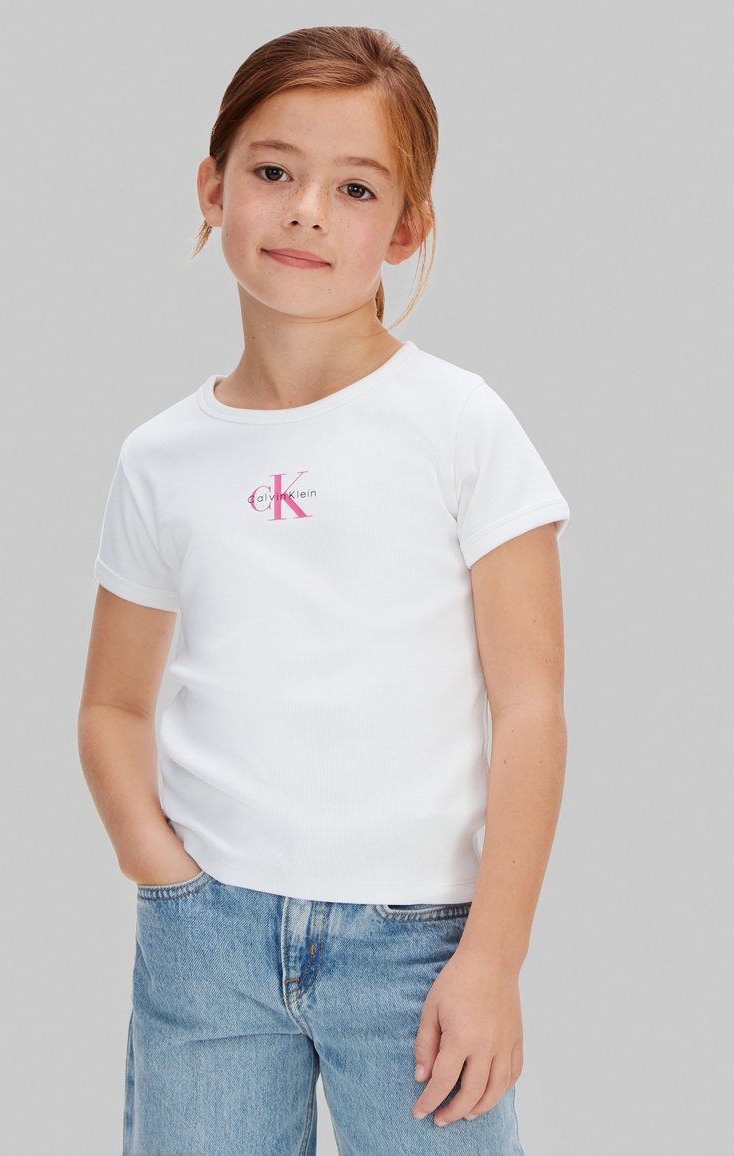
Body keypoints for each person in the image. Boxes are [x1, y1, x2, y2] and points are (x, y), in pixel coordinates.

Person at [78, 24, 570, 1156]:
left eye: (354, 187)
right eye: (272, 171)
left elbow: (531, 707)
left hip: (417, 949)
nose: (306, 211)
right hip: (207, 944)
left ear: (405, 227)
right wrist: (162, 872)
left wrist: (491, 957)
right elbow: (111, 703)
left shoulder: (460, 425)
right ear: (213, 189)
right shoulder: (161, 457)